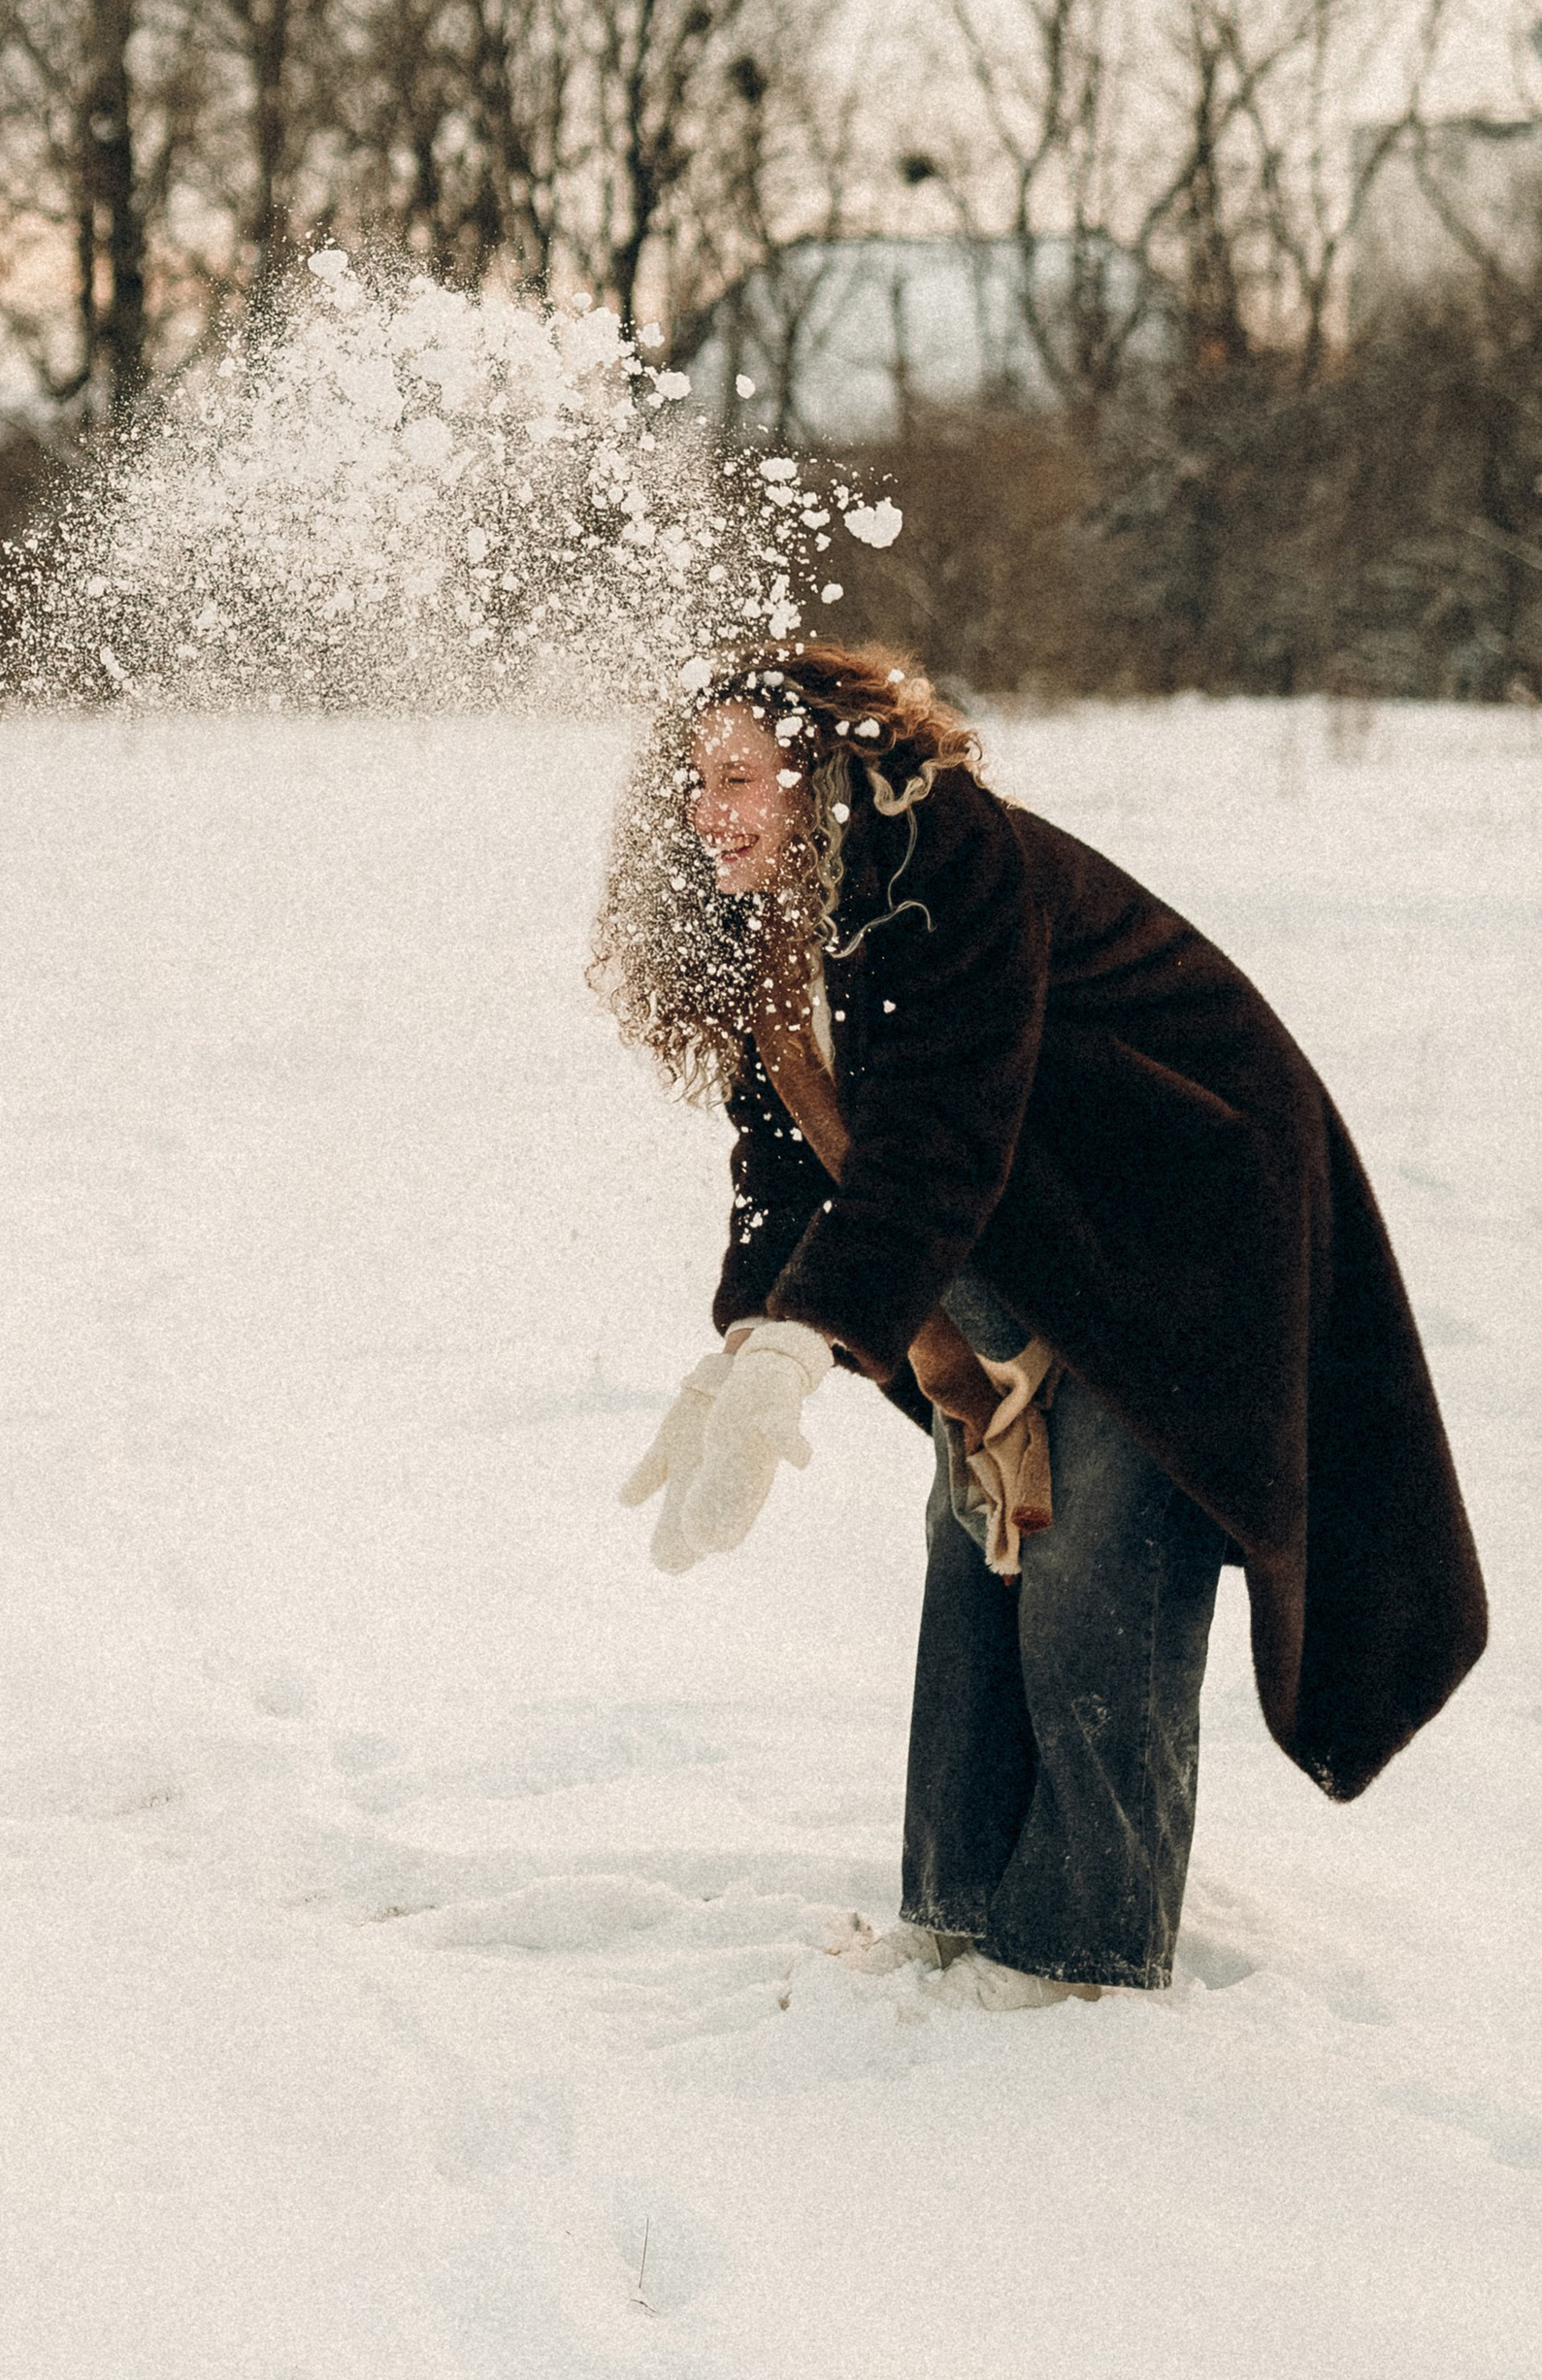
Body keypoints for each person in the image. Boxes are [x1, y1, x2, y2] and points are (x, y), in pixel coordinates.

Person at [594, 641, 1485, 2009]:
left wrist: (810, 1340)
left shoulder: (940, 859)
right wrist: (750, 1338)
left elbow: (938, 1139)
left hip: (1178, 1224)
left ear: (820, 772)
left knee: (1099, 1565)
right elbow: (790, 1149)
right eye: (693, 780)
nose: (710, 809)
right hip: (1022, 1225)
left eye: (739, 776)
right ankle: (955, 1914)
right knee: (984, 1537)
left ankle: (1085, 1951)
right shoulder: (778, 912)